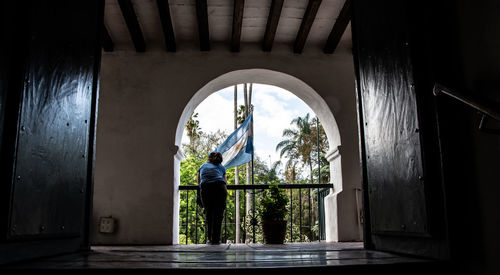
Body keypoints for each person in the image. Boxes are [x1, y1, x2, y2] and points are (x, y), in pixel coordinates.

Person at [197, 152, 227, 245]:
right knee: (219, 214)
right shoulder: (222, 167)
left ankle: (210, 239)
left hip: (206, 188)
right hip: (220, 187)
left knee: (209, 213)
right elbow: (225, 181)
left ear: (209, 158)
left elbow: (199, 181)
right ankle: (216, 240)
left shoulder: (202, 166)